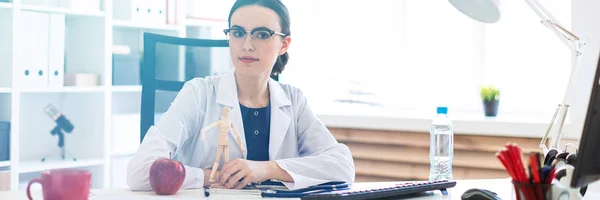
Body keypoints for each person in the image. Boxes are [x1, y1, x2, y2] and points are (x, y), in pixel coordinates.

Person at [126, 0, 355, 191]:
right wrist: (208, 177)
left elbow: (342, 166)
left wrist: (265, 168)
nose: (246, 45)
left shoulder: (293, 101)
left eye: (262, 34)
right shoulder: (198, 93)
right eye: (237, 33)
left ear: (284, 44)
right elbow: (139, 173)